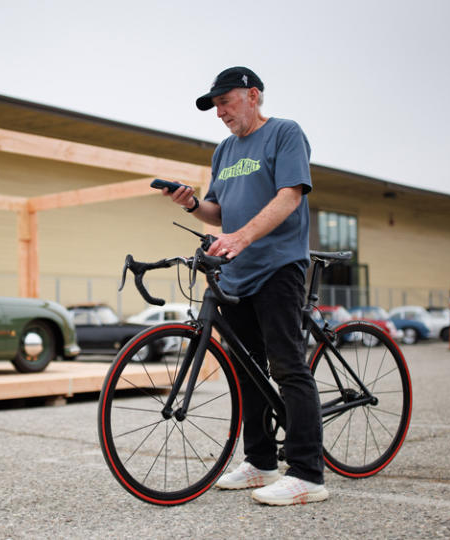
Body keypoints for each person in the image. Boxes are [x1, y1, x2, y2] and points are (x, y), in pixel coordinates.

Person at [161, 66, 325, 506]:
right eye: (215, 106)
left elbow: (291, 195)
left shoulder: (285, 133)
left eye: (225, 102)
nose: (220, 113)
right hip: (235, 272)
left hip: (277, 266)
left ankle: (309, 474)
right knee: (248, 369)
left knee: (288, 366)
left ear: (253, 95)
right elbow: (219, 211)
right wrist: (193, 203)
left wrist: (241, 237)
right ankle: (261, 462)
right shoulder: (224, 151)